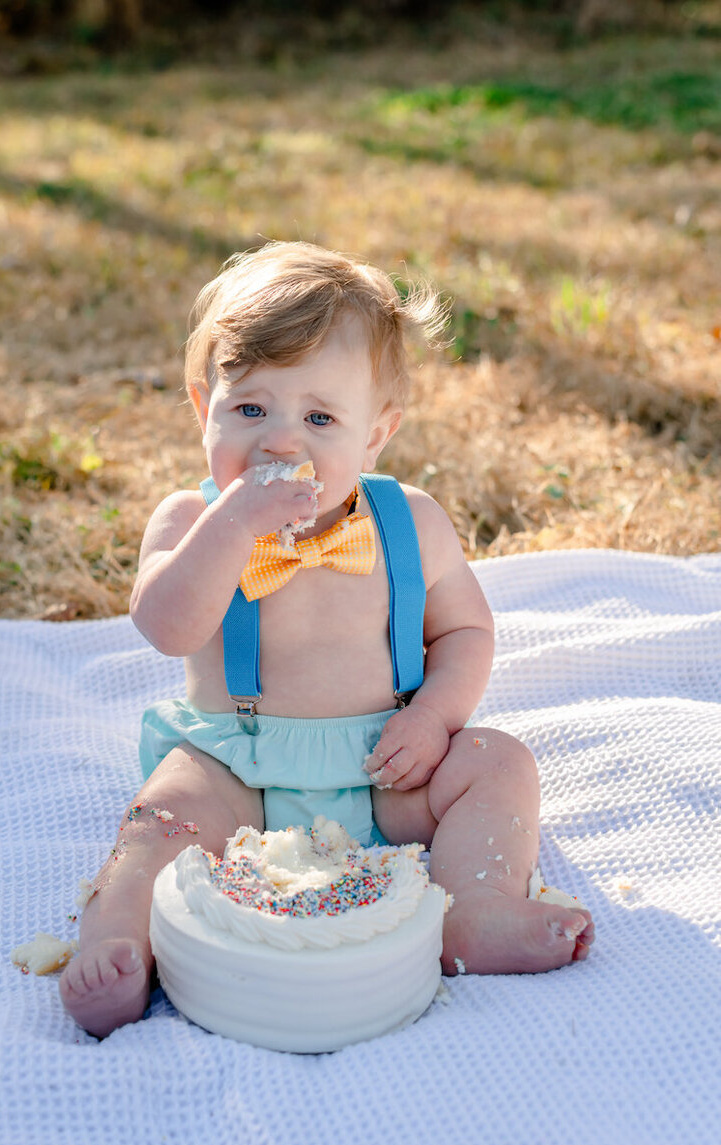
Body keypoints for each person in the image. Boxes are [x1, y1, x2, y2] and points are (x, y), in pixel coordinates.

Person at [60, 242, 594, 1037]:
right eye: (251, 410)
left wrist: (435, 716)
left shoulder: (410, 522)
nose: (282, 441)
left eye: (319, 417)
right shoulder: (187, 520)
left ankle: (473, 909)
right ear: (203, 405)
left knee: (500, 763)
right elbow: (168, 627)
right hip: (237, 767)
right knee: (159, 816)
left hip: (389, 765)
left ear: (376, 432)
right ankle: (119, 941)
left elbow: (465, 630)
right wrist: (231, 525)